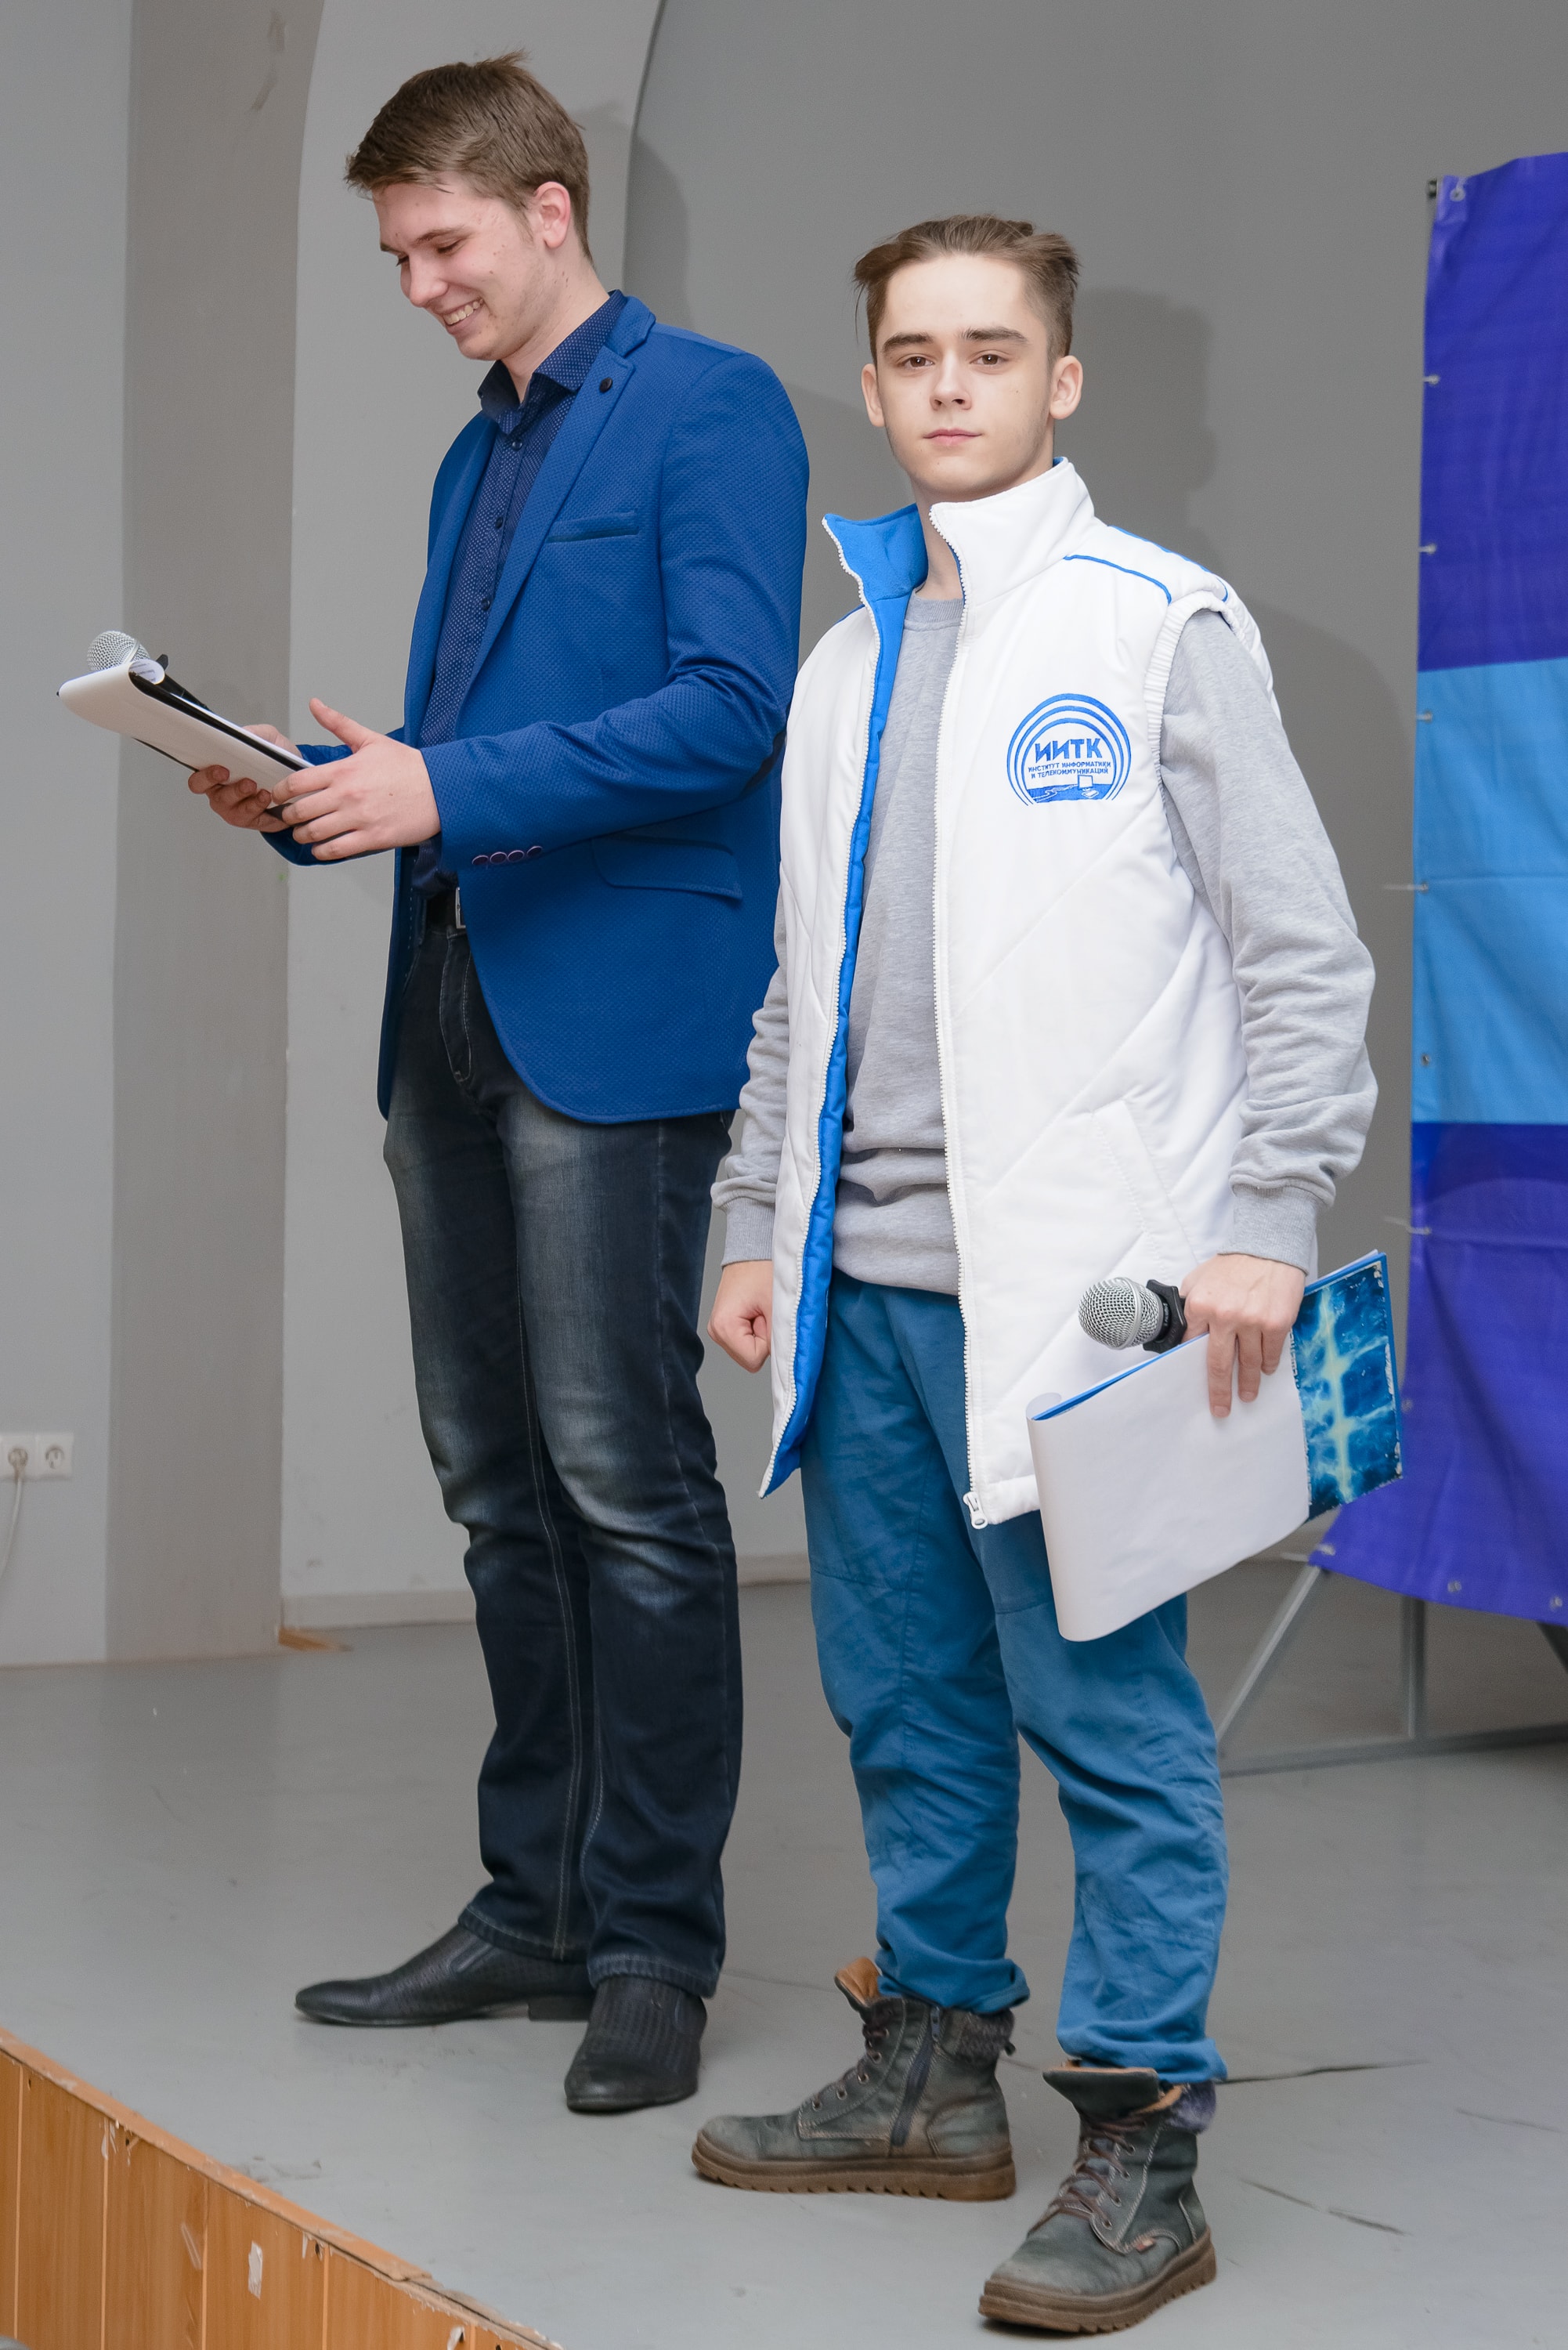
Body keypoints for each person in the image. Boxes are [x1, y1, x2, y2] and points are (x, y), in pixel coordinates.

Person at [692, 215, 1375, 2330]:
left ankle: (1146, 2145)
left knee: (1108, 1719)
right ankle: (930, 2073)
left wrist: (1268, 1216)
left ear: (1060, 380)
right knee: (903, 1701)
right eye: (914, 355)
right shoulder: (841, 667)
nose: (951, 385)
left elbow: (1300, 953)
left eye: (991, 351)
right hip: (865, 1293)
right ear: (875, 387)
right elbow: (800, 990)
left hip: (1075, 1303)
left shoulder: (1157, 626)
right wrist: (752, 1220)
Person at [188, 53, 807, 2116]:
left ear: (551, 209)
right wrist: (313, 795)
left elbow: (729, 711)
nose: (419, 285)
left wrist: (440, 786)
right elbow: (467, 758)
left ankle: (651, 1947)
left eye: (440, 243)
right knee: (495, 1487)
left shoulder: (712, 406)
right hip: (451, 1000)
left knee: (625, 1482)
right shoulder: (480, 455)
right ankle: (532, 1906)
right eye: (396, 255)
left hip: (614, 1018)